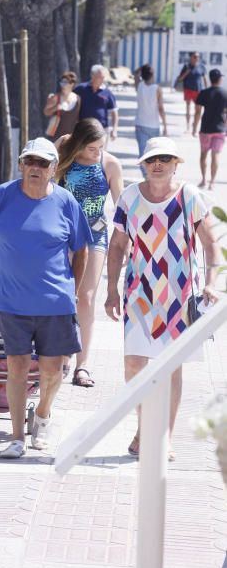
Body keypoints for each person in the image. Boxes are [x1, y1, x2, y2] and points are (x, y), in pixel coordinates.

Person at [0, 137, 92, 459]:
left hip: (55, 301)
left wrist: (73, 288)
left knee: (53, 370)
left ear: (54, 169)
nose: (35, 168)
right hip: (13, 301)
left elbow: (81, 249)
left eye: (43, 163)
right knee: (17, 367)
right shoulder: (3, 196)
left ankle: (42, 415)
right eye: (30, 161)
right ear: (21, 164)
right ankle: (16, 437)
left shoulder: (67, 202)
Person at [104, 137, 220, 461]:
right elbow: (116, 246)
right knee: (133, 364)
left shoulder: (189, 196)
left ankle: (164, 437)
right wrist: (111, 290)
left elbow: (211, 245)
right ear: (144, 163)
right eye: (153, 159)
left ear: (175, 164)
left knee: (171, 368)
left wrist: (211, 283)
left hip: (180, 297)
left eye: (165, 159)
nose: (158, 164)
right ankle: (145, 427)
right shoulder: (129, 196)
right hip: (139, 294)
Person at [55, 118, 123, 387]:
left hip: (95, 233)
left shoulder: (109, 164)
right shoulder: (63, 150)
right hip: (61, 233)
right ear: (80, 144)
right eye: (93, 148)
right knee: (63, 293)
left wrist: (124, 243)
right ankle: (61, 354)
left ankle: (82, 364)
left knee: (86, 297)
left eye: (101, 147)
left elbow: (121, 208)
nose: (98, 153)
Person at [192, 69, 227, 190]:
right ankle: (212, 182)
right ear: (220, 79)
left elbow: (197, 111)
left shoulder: (203, 93)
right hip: (220, 129)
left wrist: (194, 127)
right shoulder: (225, 93)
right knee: (215, 156)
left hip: (205, 128)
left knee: (203, 154)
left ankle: (203, 180)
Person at [134, 64, 167, 170]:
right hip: (154, 126)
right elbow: (161, 108)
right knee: (154, 153)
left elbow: (135, 73)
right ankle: (152, 175)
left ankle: (146, 176)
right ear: (152, 75)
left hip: (140, 124)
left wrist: (143, 66)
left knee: (142, 154)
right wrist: (165, 125)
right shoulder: (157, 89)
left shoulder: (139, 86)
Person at [74, 64, 118, 141]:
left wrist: (114, 130)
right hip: (83, 129)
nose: (102, 80)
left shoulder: (107, 92)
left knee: (100, 152)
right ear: (92, 76)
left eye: (103, 77)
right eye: (99, 77)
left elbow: (114, 113)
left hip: (102, 129)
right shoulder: (81, 89)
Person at [174, 52, 207, 132]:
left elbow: (205, 79)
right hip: (188, 89)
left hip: (198, 90)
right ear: (191, 57)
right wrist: (187, 72)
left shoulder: (201, 66)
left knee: (198, 109)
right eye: (195, 57)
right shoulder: (186, 66)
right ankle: (188, 126)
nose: (197, 58)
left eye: (198, 57)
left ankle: (194, 125)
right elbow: (180, 79)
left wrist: (206, 90)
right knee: (188, 108)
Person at [43, 71, 80, 140]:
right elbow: (46, 112)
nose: (62, 85)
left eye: (65, 82)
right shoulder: (55, 97)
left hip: (70, 137)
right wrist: (55, 108)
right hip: (56, 136)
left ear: (72, 84)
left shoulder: (77, 99)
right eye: (62, 82)